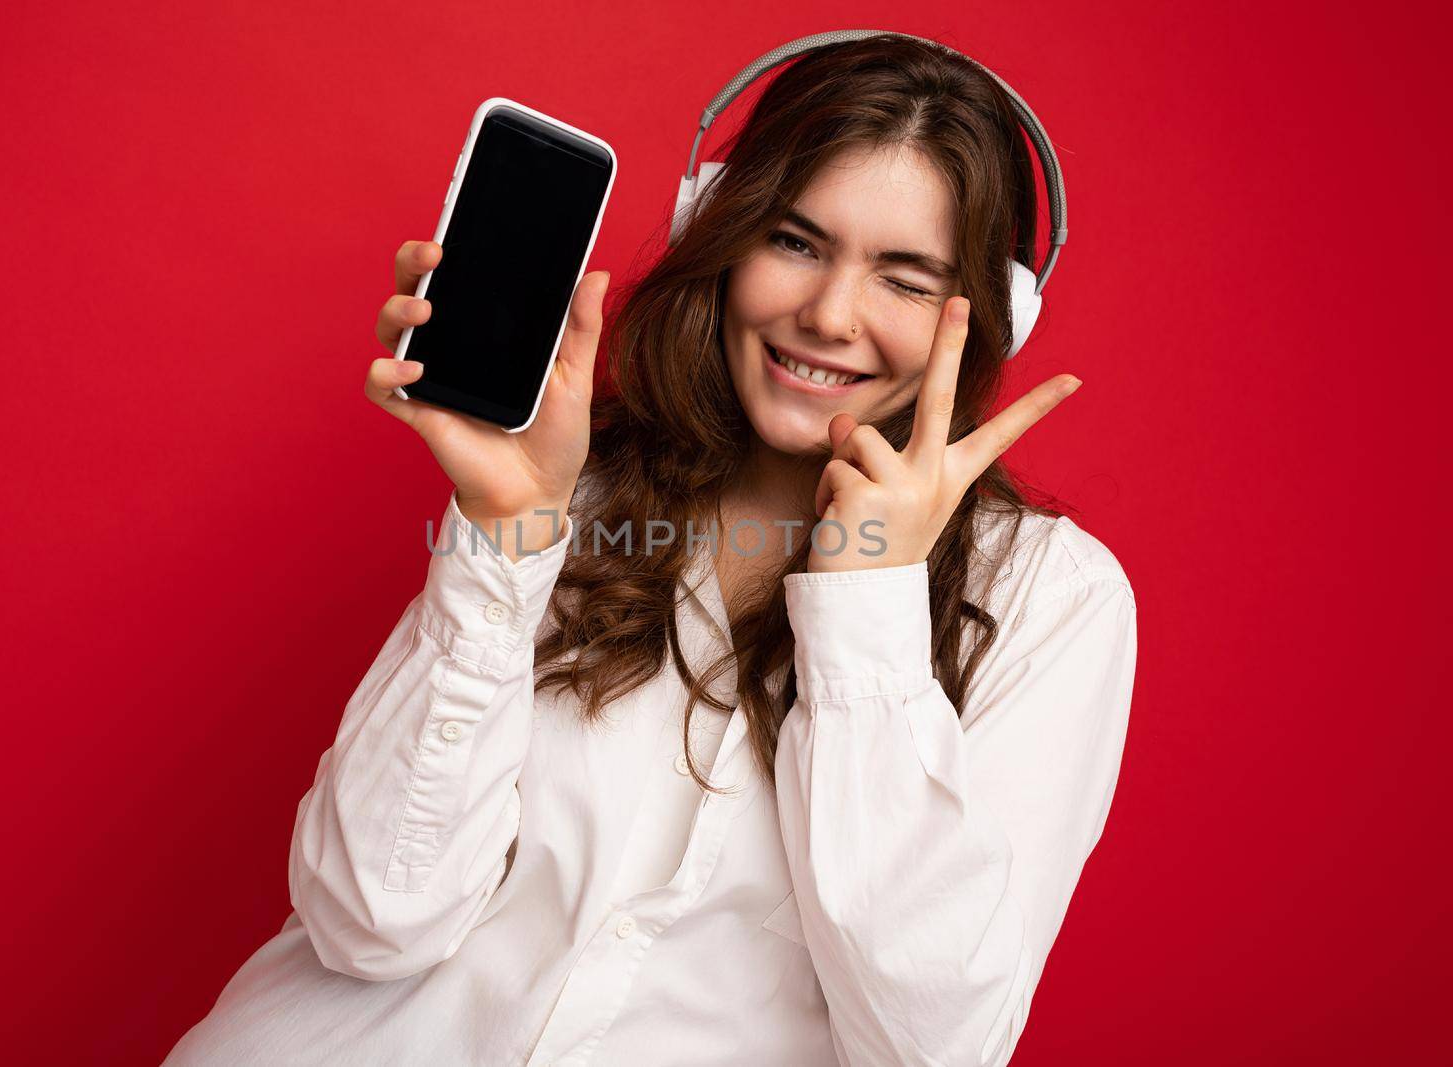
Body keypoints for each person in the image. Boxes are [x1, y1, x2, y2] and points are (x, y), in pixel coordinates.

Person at [166, 33, 1137, 1067]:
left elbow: (932, 1045)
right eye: (795, 241)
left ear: (993, 315)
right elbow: (369, 920)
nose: (828, 315)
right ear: (718, 232)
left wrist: (869, 603)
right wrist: (506, 532)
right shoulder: (567, 479)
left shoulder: (1051, 597)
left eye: (904, 279)